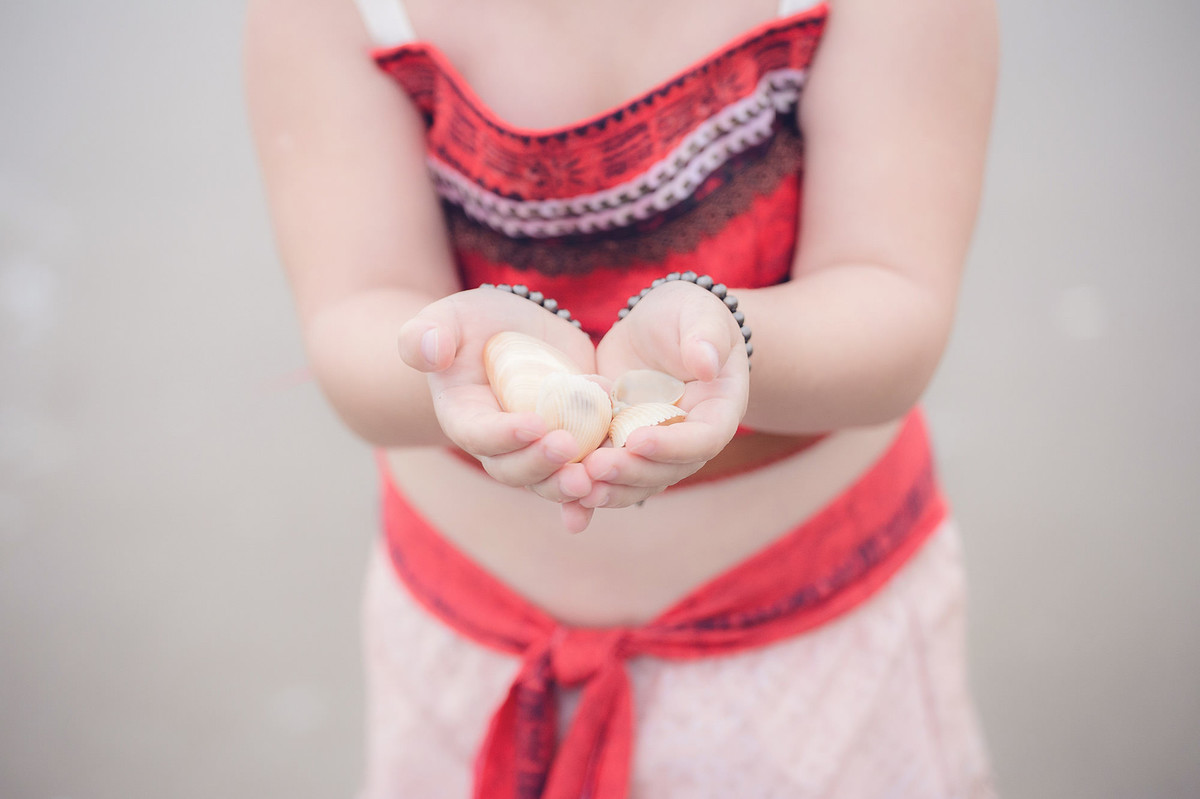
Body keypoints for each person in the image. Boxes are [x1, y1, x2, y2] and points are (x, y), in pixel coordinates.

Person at [245, 0, 998, 796]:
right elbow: (355, 315)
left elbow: (893, 300)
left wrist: (730, 342)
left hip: (815, 655)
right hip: (469, 649)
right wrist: (464, 352)